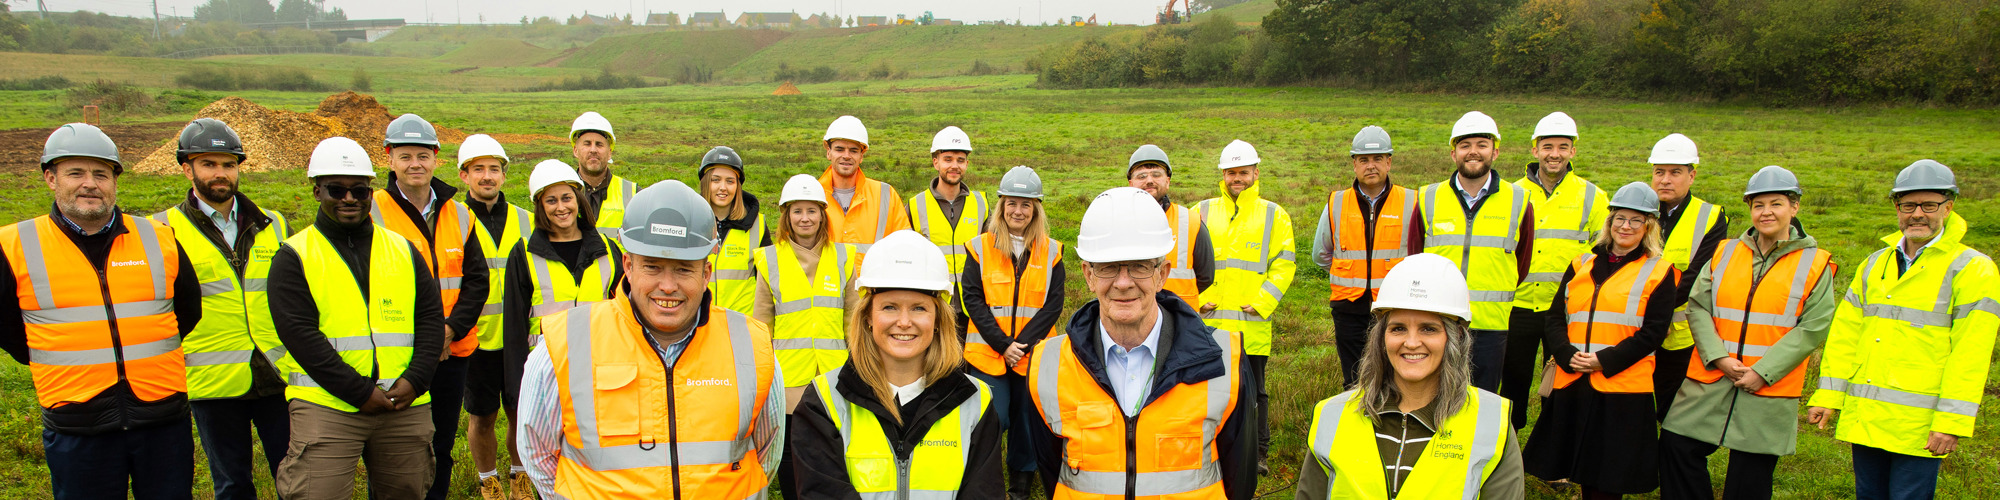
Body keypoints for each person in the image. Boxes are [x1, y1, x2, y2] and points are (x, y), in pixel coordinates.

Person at [516, 180, 785, 499]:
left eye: (684, 269)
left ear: (706, 273)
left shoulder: (752, 346)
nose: (667, 285)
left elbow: (767, 454)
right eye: (653, 267)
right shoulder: (564, 346)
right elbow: (538, 455)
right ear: (628, 266)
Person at [0, 123, 203, 499]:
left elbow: (188, 310)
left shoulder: (159, 237)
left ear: (114, 181)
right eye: (75, 172)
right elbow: (7, 327)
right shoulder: (14, 245)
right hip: (77, 422)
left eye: (101, 173)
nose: (90, 184)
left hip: (162, 418)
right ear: (50, 178)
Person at [1029, 186, 1256, 499]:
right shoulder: (1047, 365)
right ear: (1089, 275)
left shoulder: (1224, 361)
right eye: (1108, 267)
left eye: (1139, 265)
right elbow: (1052, 469)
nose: (1124, 282)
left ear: (1162, 274)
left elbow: (1239, 479)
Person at [268, 137, 449, 499]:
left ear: (370, 192)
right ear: (317, 191)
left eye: (359, 191)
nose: (349, 199)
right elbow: (300, 335)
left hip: (404, 401)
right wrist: (359, 392)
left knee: (408, 491)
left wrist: (415, 381)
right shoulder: (295, 255)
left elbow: (430, 320)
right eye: (337, 189)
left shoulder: (402, 250)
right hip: (329, 405)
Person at [1807, 160, 1998, 500]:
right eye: (1908, 205)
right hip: (1868, 419)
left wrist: (1951, 423)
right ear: (1897, 208)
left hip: (1920, 427)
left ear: (1948, 207)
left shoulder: (1972, 269)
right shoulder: (1875, 263)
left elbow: (1971, 353)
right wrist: (1828, 397)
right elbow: (1845, 335)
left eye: (1929, 205)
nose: (1917, 214)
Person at [1658, 166, 1837, 500]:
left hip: (1767, 387)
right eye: (1758, 205)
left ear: (1794, 207)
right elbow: (1698, 306)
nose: (1766, 212)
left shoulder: (1815, 263)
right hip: (1712, 377)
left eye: (1776, 204)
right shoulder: (1725, 251)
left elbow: (1813, 328)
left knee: (1750, 474)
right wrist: (1719, 357)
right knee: (1676, 446)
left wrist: (1763, 372)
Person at [791, 230, 1004, 499]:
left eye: (918, 308)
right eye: (890, 307)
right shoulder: (823, 402)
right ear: (868, 316)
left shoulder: (975, 402)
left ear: (938, 319)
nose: (904, 322)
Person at [1295, 253, 1524, 500]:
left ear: (1455, 337)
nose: (1411, 343)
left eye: (1428, 328)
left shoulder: (1490, 423)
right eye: (1398, 328)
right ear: (1382, 337)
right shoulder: (1333, 416)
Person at [155, 118, 293, 500]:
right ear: (187, 168)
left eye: (229, 164)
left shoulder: (273, 224)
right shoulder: (162, 230)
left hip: (276, 373)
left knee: (296, 478)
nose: (221, 174)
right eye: (209, 164)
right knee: (232, 484)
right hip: (212, 383)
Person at [1522, 182, 1678, 500]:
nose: (1626, 226)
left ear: (1649, 226)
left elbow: (1654, 332)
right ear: (1609, 223)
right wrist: (1566, 355)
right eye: (1619, 218)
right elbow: (1555, 318)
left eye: (1636, 220)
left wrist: (1604, 361)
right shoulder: (1582, 264)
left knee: (1609, 474)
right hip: (1574, 379)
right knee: (1583, 467)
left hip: (1622, 387)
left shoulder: (1660, 272)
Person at [371, 113, 491, 500]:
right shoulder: (372, 212)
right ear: (389, 158)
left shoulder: (458, 213)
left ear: (436, 157)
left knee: (440, 445)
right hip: (398, 355)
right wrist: (426, 337)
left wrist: (450, 329)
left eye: (423, 155)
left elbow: (476, 281)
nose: (415, 164)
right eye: (405, 156)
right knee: (393, 450)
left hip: (452, 353)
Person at [499, 160, 622, 495]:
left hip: (604, 376)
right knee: (550, 455)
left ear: (578, 199)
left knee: (599, 452)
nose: (561, 207)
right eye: (550, 201)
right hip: (549, 377)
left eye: (566, 198)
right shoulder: (523, 254)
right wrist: (516, 386)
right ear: (539, 206)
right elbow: (513, 326)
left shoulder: (608, 250)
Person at [752, 174, 861, 499]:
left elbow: (852, 318)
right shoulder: (770, 259)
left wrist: (859, 366)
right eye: (797, 211)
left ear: (822, 215)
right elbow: (762, 324)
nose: (805, 218)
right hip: (788, 377)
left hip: (834, 374)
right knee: (790, 456)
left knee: (834, 450)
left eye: (812, 211)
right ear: (786, 216)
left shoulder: (842, 258)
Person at [959, 165, 1065, 498]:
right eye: (1012, 203)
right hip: (988, 353)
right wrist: (1004, 344)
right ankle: (984, 473)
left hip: (1032, 354)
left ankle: (1022, 476)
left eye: (1026, 204)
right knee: (995, 417)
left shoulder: (1052, 251)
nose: (1018, 211)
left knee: (1027, 418)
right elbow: (972, 299)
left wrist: (1023, 344)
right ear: (1001, 206)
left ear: (1036, 209)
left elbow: (1053, 304)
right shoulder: (980, 247)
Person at [1193, 139, 1296, 474]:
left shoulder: (1274, 215)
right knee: (1208, 392)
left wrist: (1262, 302)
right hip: (1208, 325)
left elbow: (1284, 264)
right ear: (1223, 174)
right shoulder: (1201, 212)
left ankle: (1258, 454)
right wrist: (1194, 302)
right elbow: (1184, 264)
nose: (1237, 178)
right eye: (1231, 172)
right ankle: (1212, 451)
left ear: (1255, 172)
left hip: (1251, 324)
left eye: (1243, 172)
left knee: (1255, 393)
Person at [1500, 112, 1608, 430]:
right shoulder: (1510, 194)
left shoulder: (1593, 197)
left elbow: (1604, 252)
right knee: (1513, 381)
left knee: (1561, 380)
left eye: (1563, 147)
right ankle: (1508, 445)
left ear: (1573, 151)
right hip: (1517, 306)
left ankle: (1552, 452)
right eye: (1548, 146)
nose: (1555, 154)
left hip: (1566, 309)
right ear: (1535, 150)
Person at [1417, 111, 1534, 393]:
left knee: (1482, 399)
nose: (1473, 152)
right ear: (1453, 153)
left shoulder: (1519, 201)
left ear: (1495, 152)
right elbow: (1415, 259)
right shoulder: (1427, 198)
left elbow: (1523, 262)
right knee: (1433, 394)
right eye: (1465, 145)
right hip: (1438, 320)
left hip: (1491, 325)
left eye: (1482, 144)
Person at [454, 134, 534, 500]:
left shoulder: (527, 220)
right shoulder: (451, 220)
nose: (487, 176)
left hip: (521, 339)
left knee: (521, 412)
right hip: (475, 339)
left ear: (504, 175)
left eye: (494, 169)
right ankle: (489, 481)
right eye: (478, 169)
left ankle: (520, 476)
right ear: (464, 175)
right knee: (482, 416)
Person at [1312, 125, 1424, 389]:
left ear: (1389, 162)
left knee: (1394, 374)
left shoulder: (1412, 201)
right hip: (1349, 308)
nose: (1370, 166)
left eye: (1377, 159)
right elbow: (1321, 255)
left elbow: (1421, 254)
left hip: (1394, 307)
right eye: (1363, 160)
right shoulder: (1336, 202)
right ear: (1354, 164)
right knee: (1353, 377)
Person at [1646, 133, 1729, 422]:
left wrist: (1654, 314)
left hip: (1681, 336)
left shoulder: (1711, 217)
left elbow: (1698, 277)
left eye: (1675, 173)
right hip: (1635, 330)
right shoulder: (1638, 210)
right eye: (1659, 172)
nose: (1665, 180)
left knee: (1673, 410)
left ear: (1692, 176)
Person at [909, 126, 988, 317]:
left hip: (974, 303)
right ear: (936, 162)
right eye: (948, 160)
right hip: (933, 301)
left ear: (967, 164)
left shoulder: (981, 204)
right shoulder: (915, 206)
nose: (955, 166)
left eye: (960, 160)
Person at [1126, 144, 1214, 307]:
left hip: (1180, 319)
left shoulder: (1191, 222)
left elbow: (1206, 277)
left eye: (1156, 174)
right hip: (1131, 318)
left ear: (1167, 181)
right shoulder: (1116, 221)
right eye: (1142, 176)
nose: (1149, 180)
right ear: (1131, 183)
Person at [817, 115, 911, 250]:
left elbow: (904, 246)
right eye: (839, 149)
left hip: (873, 272)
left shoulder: (885, 195)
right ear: (828, 152)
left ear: (861, 156)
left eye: (853, 150)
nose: (846, 156)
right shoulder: (812, 194)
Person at [701, 146, 769, 315]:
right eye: (715, 180)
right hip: (698, 323)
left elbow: (770, 282)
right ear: (705, 183)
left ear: (738, 186)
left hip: (740, 327)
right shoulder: (690, 222)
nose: (723, 187)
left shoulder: (758, 225)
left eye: (730, 181)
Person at [568, 111, 638, 240]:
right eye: (587, 143)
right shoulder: (561, 193)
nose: (593, 150)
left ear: (609, 152)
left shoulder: (634, 194)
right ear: (575, 150)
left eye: (599, 144)